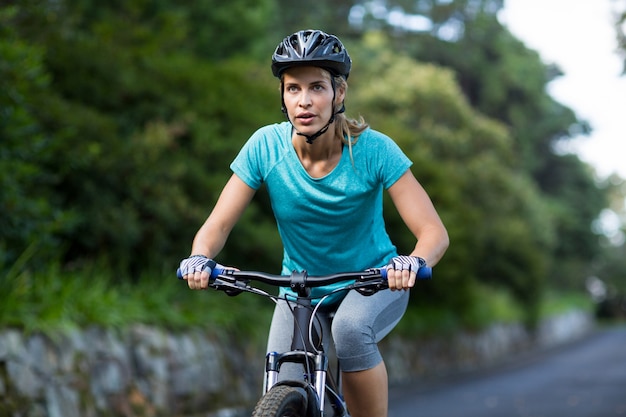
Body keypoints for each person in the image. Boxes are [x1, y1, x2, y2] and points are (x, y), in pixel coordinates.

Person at [178, 29, 449, 417]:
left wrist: (412, 263)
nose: (304, 101)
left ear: (339, 94)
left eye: (317, 87)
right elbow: (217, 225)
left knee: (351, 331)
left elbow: (433, 233)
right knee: (284, 374)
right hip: (299, 287)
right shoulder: (265, 147)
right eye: (292, 89)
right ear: (282, 97)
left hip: (372, 281)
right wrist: (199, 257)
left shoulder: (374, 150)